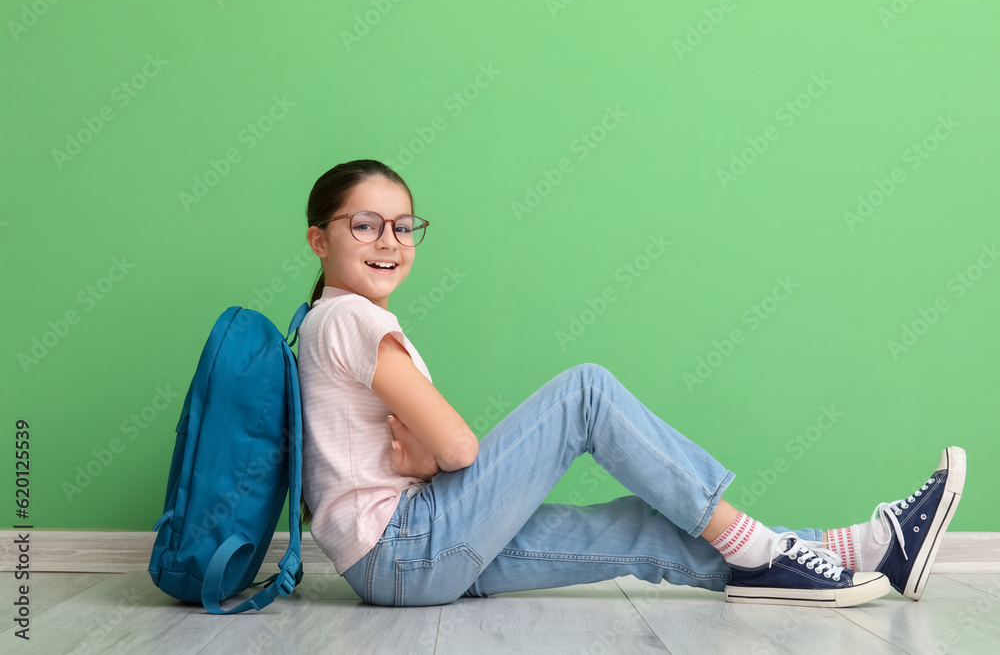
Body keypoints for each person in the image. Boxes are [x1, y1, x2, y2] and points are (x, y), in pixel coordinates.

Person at [297, 158, 966, 608]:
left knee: (638, 528)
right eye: (364, 224)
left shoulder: (325, 321)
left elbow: (426, 447)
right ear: (319, 241)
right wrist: (431, 454)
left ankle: (865, 551)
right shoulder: (349, 316)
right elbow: (461, 448)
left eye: (403, 225)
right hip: (411, 543)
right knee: (586, 392)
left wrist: (427, 456)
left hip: (395, 567)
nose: (389, 238)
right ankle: (759, 546)